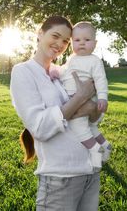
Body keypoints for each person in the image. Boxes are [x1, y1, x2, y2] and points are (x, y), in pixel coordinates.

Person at [10, 16, 102, 210]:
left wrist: (91, 108)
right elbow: (41, 127)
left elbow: (94, 117)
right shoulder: (23, 72)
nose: (60, 44)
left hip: (90, 171)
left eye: (66, 41)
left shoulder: (64, 71)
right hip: (61, 178)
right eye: (56, 36)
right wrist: (79, 99)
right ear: (40, 34)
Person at [50, 21, 111, 169]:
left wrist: (103, 97)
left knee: (80, 130)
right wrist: (56, 72)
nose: (82, 43)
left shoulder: (94, 61)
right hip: (75, 98)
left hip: (87, 99)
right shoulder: (72, 59)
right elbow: (65, 70)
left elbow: (101, 79)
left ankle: (95, 155)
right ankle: (105, 145)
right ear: (71, 43)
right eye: (77, 40)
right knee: (91, 128)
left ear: (95, 43)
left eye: (87, 40)